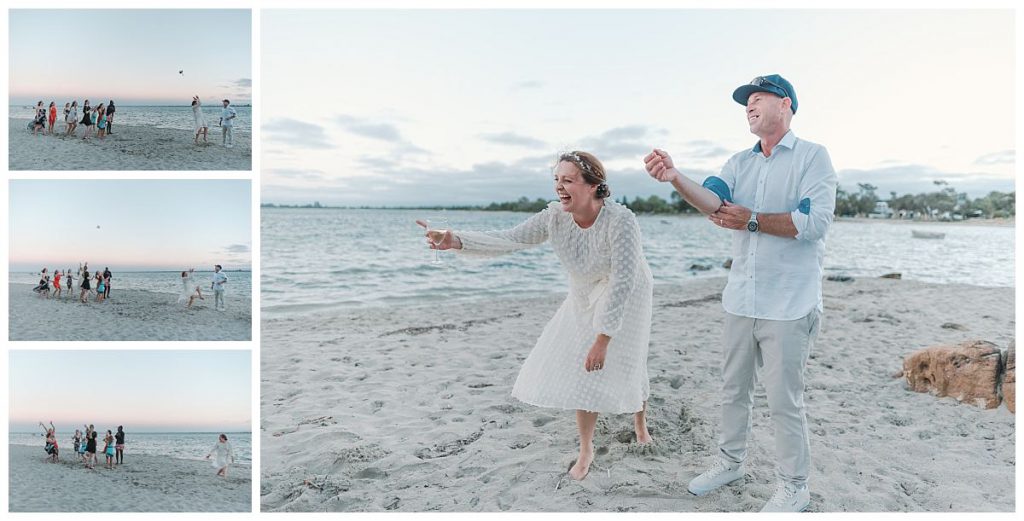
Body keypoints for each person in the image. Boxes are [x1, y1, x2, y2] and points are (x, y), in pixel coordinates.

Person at [644, 74, 836, 512]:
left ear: (784, 104)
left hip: (791, 302)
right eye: (746, 102)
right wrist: (675, 177)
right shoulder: (738, 163)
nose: (749, 106)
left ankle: (794, 485)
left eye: (758, 98)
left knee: (784, 399)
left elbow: (814, 224)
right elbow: (714, 201)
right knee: (733, 389)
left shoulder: (813, 157)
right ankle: (730, 462)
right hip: (740, 300)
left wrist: (751, 219)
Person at [423, 151, 654, 480]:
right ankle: (586, 449)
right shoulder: (553, 217)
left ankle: (640, 422)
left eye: (568, 180)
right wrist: (456, 240)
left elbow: (623, 282)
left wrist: (603, 338)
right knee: (583, 367)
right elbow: (511, 238)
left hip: (629, 291)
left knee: (629, 357)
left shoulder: (621, 221)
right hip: (583, 291)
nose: (560, 187)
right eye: (556, 180)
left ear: (593, 186)